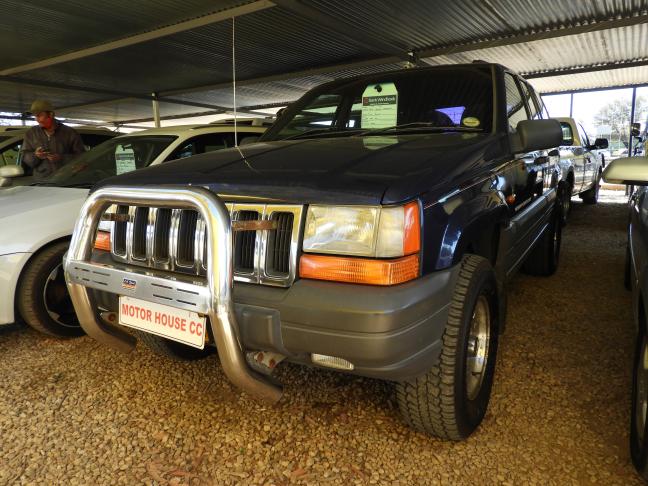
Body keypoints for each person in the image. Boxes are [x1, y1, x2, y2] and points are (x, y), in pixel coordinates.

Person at [21, 100, 86, 180]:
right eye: (35, 116)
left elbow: (82, 157)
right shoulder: (31, 133)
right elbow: (25, 158)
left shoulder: (70, 133)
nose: (37, 119)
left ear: (51, 115)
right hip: (41, 183)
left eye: (39, 115)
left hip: (66, 181)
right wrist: (37, 155)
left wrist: (61, 158)